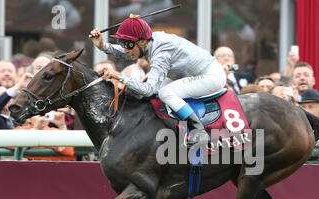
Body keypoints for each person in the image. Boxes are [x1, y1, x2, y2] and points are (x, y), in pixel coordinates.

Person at [90, 18, 227, 146]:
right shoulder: (148, 42)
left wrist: (120, 75)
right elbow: (130, 52)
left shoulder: (161, 52)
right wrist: (103, 45)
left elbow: (147, 89)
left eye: (128, 44)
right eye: (123, 44)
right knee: (156, 93)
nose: (126, 49)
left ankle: (200, 132)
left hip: (211, 76)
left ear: (142, 42)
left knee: (165, 93)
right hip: (186, 75)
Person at [0, 62, 32, 130]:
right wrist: (18, 86)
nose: (7, 74)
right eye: (2, 71)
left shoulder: (18, 117)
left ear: (16, 76)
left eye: (10, 71)